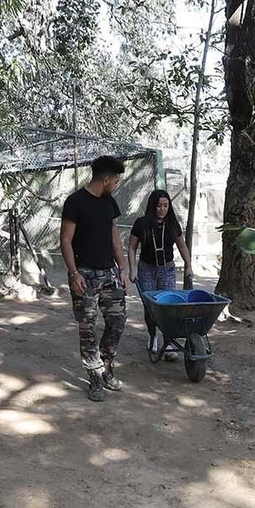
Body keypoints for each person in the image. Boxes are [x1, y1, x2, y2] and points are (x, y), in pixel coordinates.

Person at [60, 155, 130, 402]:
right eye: (117, 180)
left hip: (110, 273)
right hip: (84, 275)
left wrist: (123, 268)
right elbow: (66, 241)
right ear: (107, 179)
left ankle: (105, 367)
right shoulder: (75, 202)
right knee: (87, 328)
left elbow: (115, 239)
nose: (118, 184)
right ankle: (95, 378)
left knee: (117, 322)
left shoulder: (110, 203)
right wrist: (73, 272)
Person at [129, 188, 191, 358]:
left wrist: (188, 265)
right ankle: (152, 336)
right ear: (152, 206)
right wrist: (132, 269)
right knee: (150, 307)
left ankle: (168, 342)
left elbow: (182, 245)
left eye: (165, 205)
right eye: (158, 206)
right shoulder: (141, 223)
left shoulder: (172, 223)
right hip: (146, 269)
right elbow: (132, 248)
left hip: (167, 269)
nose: (162, 209)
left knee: (168, 307)